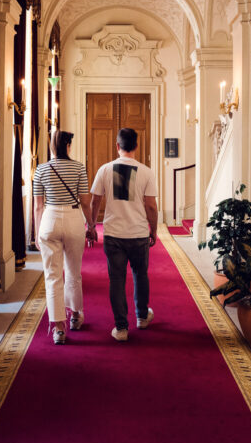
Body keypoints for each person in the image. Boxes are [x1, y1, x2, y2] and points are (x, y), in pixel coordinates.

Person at [89, 128, 159, 342]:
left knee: (117, 280)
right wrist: (154, 229)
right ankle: (142, 317)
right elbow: (151, 206)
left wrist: (91, 226)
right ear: (136, 146)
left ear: (117, 146)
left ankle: (121, 328)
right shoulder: (146, 172)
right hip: (138, 233)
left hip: (113, 235)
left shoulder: (104, 169)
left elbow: (95, 201)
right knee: (140, 275)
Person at [32, 130, 97, 345]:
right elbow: (85, 202)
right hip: (73, 218)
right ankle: (75, 315)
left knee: (52, 276)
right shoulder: (78, 168)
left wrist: (37, 233)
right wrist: (91, 225)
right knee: (73, 272)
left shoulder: (41, 169)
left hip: (49, 220)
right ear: (68, 146)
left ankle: (58, 328)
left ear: (52, 147)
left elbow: (38, 206)